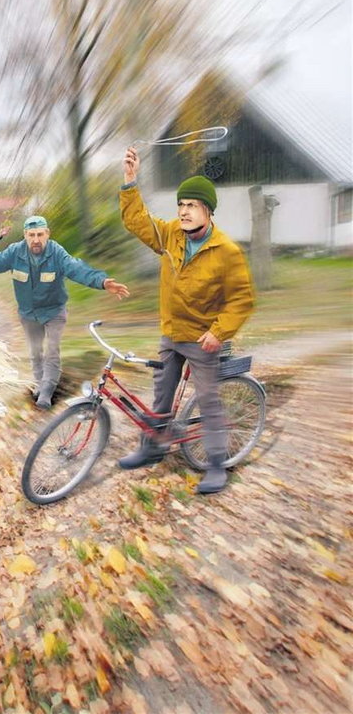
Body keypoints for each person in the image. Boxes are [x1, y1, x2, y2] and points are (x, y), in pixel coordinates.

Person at [118, 147, 254, 494]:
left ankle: (216, 465)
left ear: (207, 211)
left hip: (202, 338)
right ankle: (152, 449)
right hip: (171, 333)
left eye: (191, 206)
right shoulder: (170, 235)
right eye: (181, 205)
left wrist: (218, 332)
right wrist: (130, 182)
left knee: (208, 399)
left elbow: (241, 299)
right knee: (161, 395)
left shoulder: (227, 252)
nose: (183, 211)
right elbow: (137, 222)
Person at [0, 215, 129, 409]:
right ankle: (40, 383)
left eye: (40, 234)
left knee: (52, 350)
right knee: (35, 352)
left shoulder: (56, 253)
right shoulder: (15, 252)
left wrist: (102, 281)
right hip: (28, 314)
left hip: (54, 311)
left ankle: (47, 390)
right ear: (25, 235)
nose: (36, 239)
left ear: (47, 234)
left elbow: (77, 268)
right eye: (31, 235)